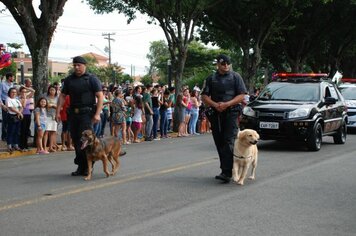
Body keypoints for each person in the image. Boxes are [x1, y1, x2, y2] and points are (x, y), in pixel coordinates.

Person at [201, 54, 247, 183]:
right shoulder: (211, 78)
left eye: (227, 63)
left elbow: (242, 95)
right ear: (218, 64)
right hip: (216, 113)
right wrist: (216, 105)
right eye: (223, 63)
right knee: (219, 141)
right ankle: (225, 169)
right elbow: (204, 96)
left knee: (228, 140)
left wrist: (227, 104)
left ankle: (227, 172)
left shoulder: (236, 76)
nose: (226, 65)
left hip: (231, 112)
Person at [56, 56, 103, 176]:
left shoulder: (92, 79)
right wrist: (58, 111)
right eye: (75, 65)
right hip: (73, 114)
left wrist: (97, 114)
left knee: (86, 140)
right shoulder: (69, 80)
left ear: (84, 65)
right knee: (76, 140)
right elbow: (62, 96)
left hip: (87, 114)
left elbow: (100, 96)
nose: (76, 67)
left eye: (79, 65)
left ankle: (89, 166)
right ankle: (81, 166)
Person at [6, 87, 23, 152]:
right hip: (11, 116)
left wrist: (19, 113)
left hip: (17, 116)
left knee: (17, 131)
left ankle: (16, 145)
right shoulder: (8, 99)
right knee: (11, 131)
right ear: (9, 93)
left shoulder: (17, 100)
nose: (14, 93)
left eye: (15, 92)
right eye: (12, 92)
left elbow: (21, 107)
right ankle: (9, 146)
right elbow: (11, 108)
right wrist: (19, 112)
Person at [0, 72, 14, 141]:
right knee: (5, 121)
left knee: (10, 120)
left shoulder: (12, 84)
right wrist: (2, 104)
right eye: (12, 77)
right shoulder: (2, 84)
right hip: (5, 103)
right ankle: (4, 137)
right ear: (9, 77)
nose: (13, 78)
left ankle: (9, 135)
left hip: (11, 103)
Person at [44, 85, 59, 152]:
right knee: (46, 132)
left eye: (53, 90)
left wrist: (53, 106)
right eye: (50, 90)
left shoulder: (57, 98)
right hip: (47, 116)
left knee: (53, 132)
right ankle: (44, 147)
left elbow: (60, 107)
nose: (52, 91)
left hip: (54, 116)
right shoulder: (45, 97)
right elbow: (45, 105)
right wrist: (53, 106)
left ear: (55, 91)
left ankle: (51, 147)